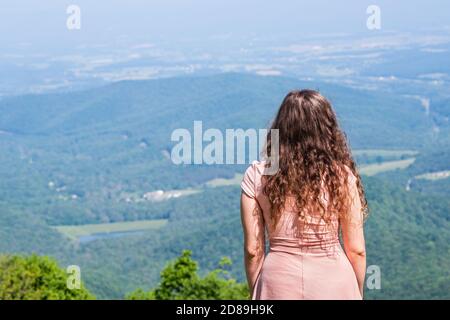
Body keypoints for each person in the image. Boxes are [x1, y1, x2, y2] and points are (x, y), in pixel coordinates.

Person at [240, 90, 368, 300]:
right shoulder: (342, 176)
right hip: (334, 282)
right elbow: (356, 250)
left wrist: (258, 289)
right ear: (327, 129)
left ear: (280, 127)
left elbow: (253, 250)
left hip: (277, 282)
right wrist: (356, 291)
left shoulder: (256, 175)